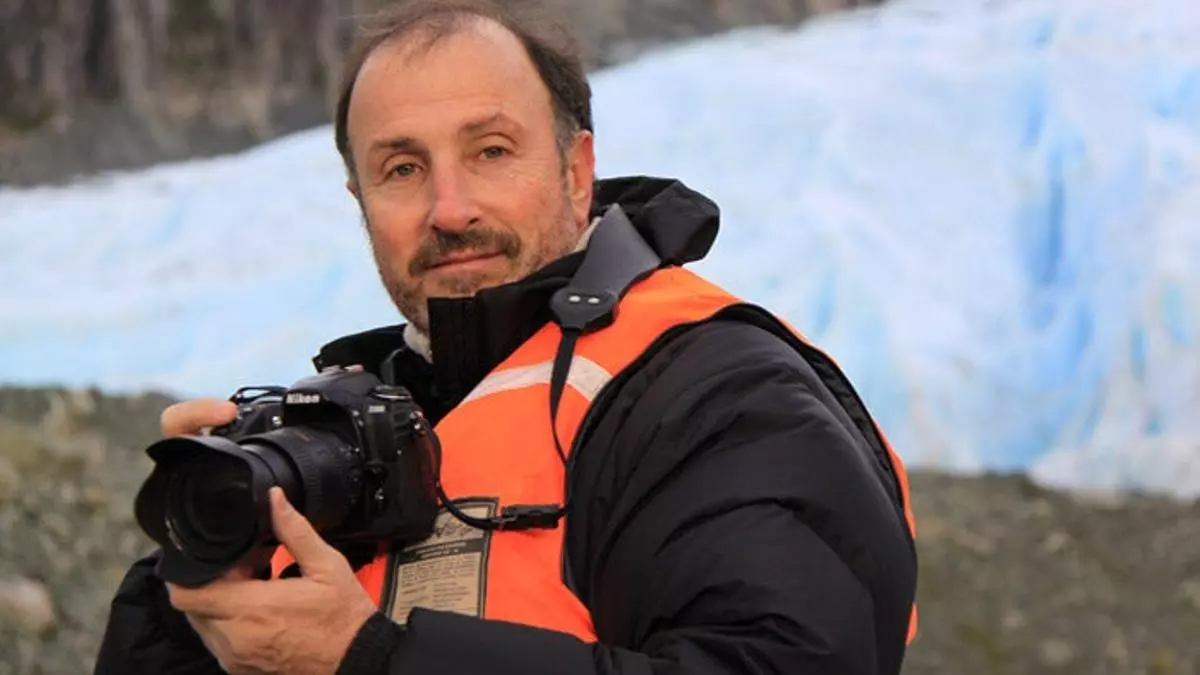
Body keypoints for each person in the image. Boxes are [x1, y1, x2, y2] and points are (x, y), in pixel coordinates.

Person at [93, 0, 919, 673]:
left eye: (491, 151)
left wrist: (376, 660)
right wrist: (190, 587)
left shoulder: (715, 396)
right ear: (360, 202)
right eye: (402, 169)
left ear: (577, 171)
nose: (450, 210)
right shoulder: (372, 422)